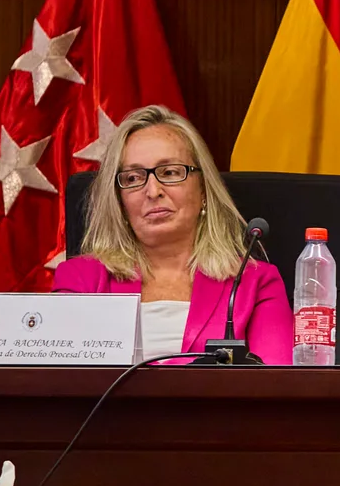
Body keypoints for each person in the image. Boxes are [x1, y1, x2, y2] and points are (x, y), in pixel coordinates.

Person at [54, 106, 292, 364]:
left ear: (203, 190)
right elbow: (61, 387)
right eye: (133, 178)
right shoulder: (80, 280)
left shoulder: (254, 283)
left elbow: (276, 389)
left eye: (169, 173)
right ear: (120, 202)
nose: (152, 190)